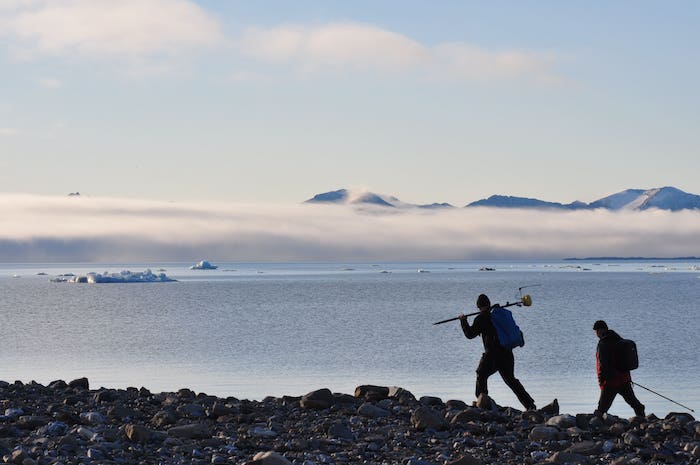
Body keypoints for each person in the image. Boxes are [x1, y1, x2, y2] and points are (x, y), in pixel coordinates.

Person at [459, 293, 536, 410]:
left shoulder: (481, 318)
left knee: (481, 374)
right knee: (511, 380)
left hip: (492, 355)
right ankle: (530, 405)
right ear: (489, 304)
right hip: (507, 352)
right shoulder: (499, 314)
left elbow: (470, 334)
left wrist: (463, 321)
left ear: (479, 307)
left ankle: (482, 403)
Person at [593, 320, 645, 418]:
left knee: (601, 409)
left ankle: (595, 428)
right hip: (624, 378)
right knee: (634, 403)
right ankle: (643, 420)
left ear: (600, 330)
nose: (596, 334)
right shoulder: (618, 339)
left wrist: (602, 381)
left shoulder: (603, 344)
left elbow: (602, 365)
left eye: (596, 331)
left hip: (610, 381)